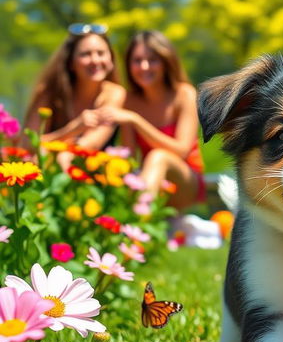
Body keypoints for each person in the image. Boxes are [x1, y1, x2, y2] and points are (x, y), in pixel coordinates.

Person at [96, 30, 205, 209]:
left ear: (165, 62)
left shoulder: (184, 94)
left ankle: (139, 221)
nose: (144, 66)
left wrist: (137, 121)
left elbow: (182, 151)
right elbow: (130, 156)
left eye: (152, 60)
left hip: (186, 182)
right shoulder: (129, 101)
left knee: (158, 157)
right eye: (137, 61)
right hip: (151, 181)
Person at [23, 23, 126, 159]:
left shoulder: (115, 93)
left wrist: (53, 144)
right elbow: (27, 144)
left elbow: (90, 144)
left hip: (90, 171)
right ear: (70, 63)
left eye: (101, 53)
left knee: (62, 156)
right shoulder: (50, 92)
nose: (95, 60)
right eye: (85, 54)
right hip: (49, 167)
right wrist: (72, 129)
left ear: (111, 59)